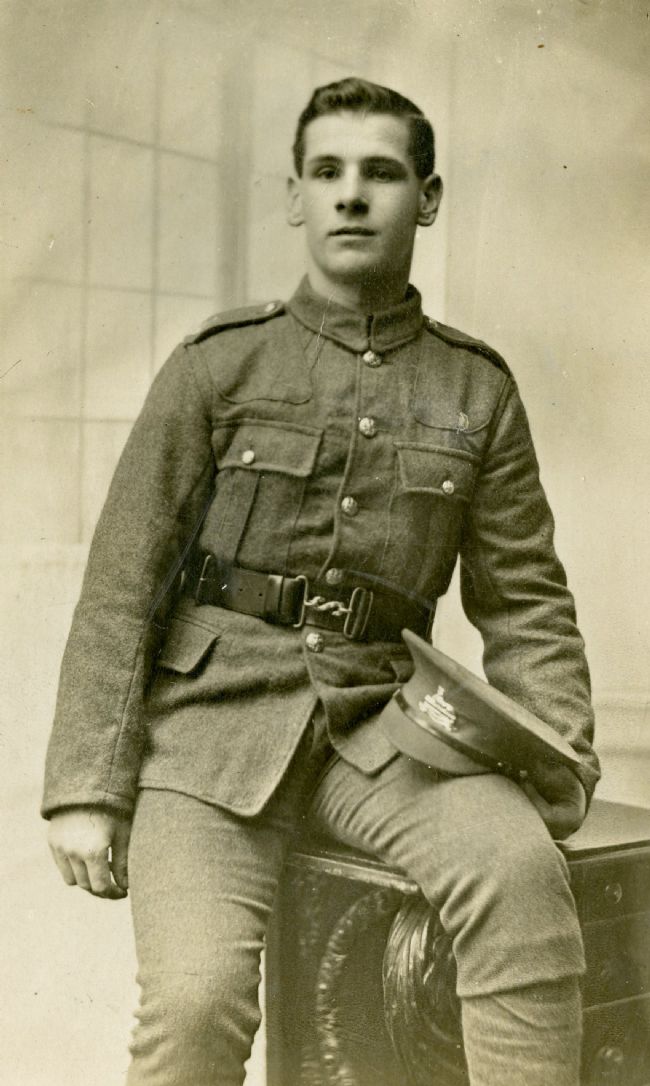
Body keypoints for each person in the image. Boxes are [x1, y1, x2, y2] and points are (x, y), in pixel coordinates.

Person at [42, 77, 600, 1086]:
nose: (351, 195)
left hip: (383, 731)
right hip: (206, 742)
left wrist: (553, 758)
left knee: (520, 881)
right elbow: (121, 581)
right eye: (327, 172)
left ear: (425, 199)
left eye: (380, 173)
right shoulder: (219, 365)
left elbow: (522, 597)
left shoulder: (475, 388)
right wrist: (84, 788)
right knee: (198, 998)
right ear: (294, 196)